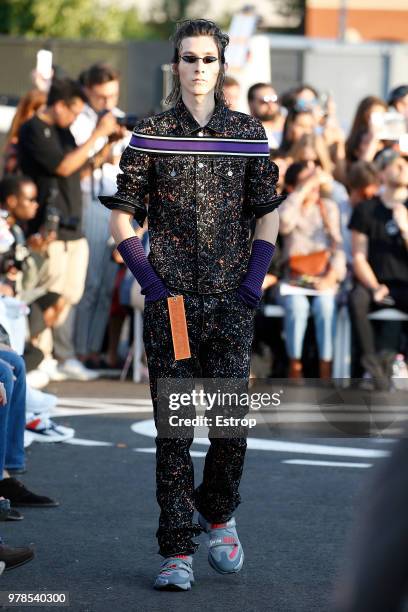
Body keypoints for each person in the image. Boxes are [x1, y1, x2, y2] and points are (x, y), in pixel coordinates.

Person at [100, 18, 283, 590]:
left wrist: (254, 280)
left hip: (232, 301)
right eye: (188, 58)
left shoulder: (247, 132)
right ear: (174, 64)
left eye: (207, 58)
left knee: (230, 426)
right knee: (175, 429)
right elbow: (121, 214)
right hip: (172, 303)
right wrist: (150, 281)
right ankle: (177, 551)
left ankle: (219, 513)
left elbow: (268, 210)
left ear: (221, 64)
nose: (198, 68)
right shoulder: (150, 131)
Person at [17, 78, 117, 381]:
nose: (75, 119)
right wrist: (96, 134)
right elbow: (61, 167)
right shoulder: (34, 129)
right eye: (73, 112)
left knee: (70, 294)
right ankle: (37, 353)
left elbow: (78, 168)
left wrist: (107, 144)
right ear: (59, 105)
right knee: (48, 294)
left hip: (75, 225)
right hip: (51, 228)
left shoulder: (63, 131)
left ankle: (51, 355)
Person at [71, 63, 127, 370]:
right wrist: (104, 141)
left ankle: (94, 349)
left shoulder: (118, 117)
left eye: (112, 95)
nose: (107, 102)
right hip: (89, 201)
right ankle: (79, 350)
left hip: (117, 202)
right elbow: (78, 165)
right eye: (101, 96)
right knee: (89, 283)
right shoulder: (80, 119)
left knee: (108, 285)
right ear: (88, 91)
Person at [278, 161, 346, 379]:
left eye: (314, 183)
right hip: (293, 279)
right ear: (292, 187)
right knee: (297, 308)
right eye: (306, 182)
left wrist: (332, 276)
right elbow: (284, 224)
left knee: (326, 307)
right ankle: (294, 364)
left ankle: (325, 365)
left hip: (322, 277)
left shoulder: (328, 208)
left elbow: (338, 248)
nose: (313, 186)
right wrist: (301, 191)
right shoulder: (288, 205)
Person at [348, 148, 408, 388]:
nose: (403, 168)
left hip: (405, 285)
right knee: (356, 301)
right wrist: (375, 287)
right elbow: (359, 256)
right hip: (376, 282)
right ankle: (372, 368)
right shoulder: (366, 209)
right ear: (382, 173)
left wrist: (405, 229)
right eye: (397, 165)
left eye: (405, 164)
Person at [3, 89, 47, 175]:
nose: (38, 115)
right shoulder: (16, 142)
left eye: (42, 111)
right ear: (24, 111)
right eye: (34, 110)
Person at [345, 96, 388, 165]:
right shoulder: (359, 139)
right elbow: (363, 166)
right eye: (375, 116)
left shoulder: (387, 140)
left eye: (382, 115)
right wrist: (373, 139)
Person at [247, 82, 285, 149]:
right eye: (264, 101)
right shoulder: (246, 130)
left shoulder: (291, 125)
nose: (270, 105)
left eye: (274, 99)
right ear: (251, 103)